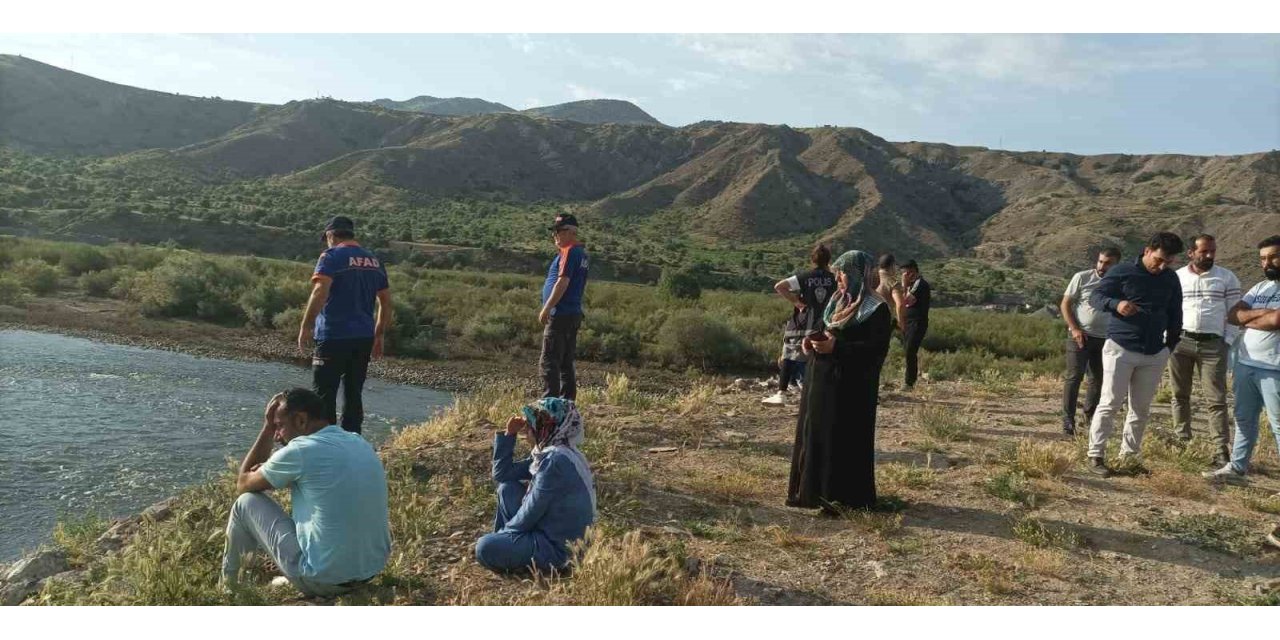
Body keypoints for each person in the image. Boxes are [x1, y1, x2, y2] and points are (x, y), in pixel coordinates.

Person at [221, 388, 391, 597]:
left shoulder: (300, 450)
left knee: (245, 502)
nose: (276, 436)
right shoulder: (358, 442)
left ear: (301, 420)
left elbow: (243, 483)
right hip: (369, 572)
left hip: (324, 580)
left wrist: (265, 428)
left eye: (279, 426)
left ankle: (230, 588)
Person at [786, 250, 892, 513]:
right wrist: (811, 341)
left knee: (841, 437)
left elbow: (875, 349)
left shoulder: (876, 308)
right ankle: (812, 493)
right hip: (820, 379)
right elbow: (827, 330)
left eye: (842, 273)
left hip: (850, 388)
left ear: (857, 274)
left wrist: (837, 347)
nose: (839, 278)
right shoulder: (838, 300)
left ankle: (840, 498)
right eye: (837, 273)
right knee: (816, 431)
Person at [1086, 232, 1184, 477]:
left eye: (1168, 262)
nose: (1161, 266)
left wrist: (1168, 347)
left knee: (1140, 409)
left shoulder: (1171, 279)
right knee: (1110, 403)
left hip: (1153, 353)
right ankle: (1096, 455)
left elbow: (1175, 313)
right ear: (1147, 250)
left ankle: (1129, 456)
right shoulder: (1122, 271)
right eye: (1158, 260)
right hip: (1120, 348)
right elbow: (1096, 296)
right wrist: (1116, 304)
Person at [476, 398, 596, 573]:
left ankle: (510, 552)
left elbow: (529, 513)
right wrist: (509, 434)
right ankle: (511, 547)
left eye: (531, 425)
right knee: (507, 488)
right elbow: (503, 474)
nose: (526, 430)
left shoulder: (555, 462)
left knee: (485, 547)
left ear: (544, 428)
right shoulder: (555, 451)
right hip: (547, 528)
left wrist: (501, 537)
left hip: (558, 548)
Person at [298, 216, 392, 434]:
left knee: (324, 394)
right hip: (363, 337)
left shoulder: (331, 256)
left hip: (333, 335)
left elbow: (320, 291)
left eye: (327, 238)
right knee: (353, 392)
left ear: (331, 235)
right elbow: (386, 303)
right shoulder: (374, 260)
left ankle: (326, 442)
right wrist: (379, 335)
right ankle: (352, 441)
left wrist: (306, 325)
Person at [1203, 235, 1280, 485]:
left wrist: (1252, 318)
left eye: (1273, 257)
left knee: (1278, 425)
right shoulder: (1261, 287)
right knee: (1244, 419)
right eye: (1262, 259)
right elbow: (1233, 314)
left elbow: (1276, 322)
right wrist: (1262, 315)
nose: (1267, 263)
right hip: (1246, 364)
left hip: (1275, 369)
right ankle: (1237, 468)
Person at [1168, 234, 1242, 467]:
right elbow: (1168, 309)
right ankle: (1182, 440)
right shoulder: (1176, 277)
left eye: (1212, 251)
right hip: (1181, 342)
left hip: (1213, 345)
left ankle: (1220, 449)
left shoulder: (1226, 278)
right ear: (1191, 253)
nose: (1209, 255)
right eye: (1204, 251)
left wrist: (1227, 340)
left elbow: (1234, 313)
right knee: (1179, 395)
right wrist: (1167, 338)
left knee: (1216, 399)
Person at [1060, 248, 1122, 435]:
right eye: (1100, 261)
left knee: (1098, 379)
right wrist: (1075, 329)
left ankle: (1090, 417)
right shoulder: (1082, 277)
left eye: (1108, 263)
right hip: (1081, 336)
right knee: (1074, 376)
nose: (1102, 266)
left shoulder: (1119, 283)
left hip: (1106, 338)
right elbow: (1065, 304)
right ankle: (1067, 420)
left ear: (1116, 264)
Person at [765, 244, 835, 406]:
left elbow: (779, 286)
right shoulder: (833, 279)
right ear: (828, 260)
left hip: (802, 323)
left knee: (789, 354)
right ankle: (817, 392)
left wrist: (797, 303)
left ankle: (781, 393)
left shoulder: (804, 277)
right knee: (819, 357)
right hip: (824, 323)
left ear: (812, 259)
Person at [538, 213, 589, 401]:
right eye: (554, 232)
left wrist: (547, 307)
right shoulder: (581, 254)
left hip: (560, 314)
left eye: (558, 231)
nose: (555, 235)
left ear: (570, 232)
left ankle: (549, 406)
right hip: (572, 314)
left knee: (549, 362)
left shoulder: (569, 252)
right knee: (566, 364)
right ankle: (567, 405)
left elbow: (562, 282)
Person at [900, 260, 932, 389]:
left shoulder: (920, 284)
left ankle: (909, 382)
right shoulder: (912, 285)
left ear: (913, 271)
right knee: (908, 350)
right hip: (908, 323)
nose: (905, 276)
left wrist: (904, 284)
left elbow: (907, 299)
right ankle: (909, 379)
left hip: (917, 323)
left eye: (906, 273)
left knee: (910, 351)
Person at [875, 253, 907, 331]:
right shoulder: (892, 283)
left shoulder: (871, 277)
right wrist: (901, 323)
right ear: (892, 265)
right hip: (884, 321)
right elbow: (900, 305)